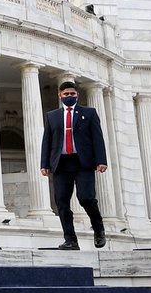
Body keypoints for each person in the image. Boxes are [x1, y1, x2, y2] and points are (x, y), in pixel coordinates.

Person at [41, 80, 109, 250]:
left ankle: (98, 228)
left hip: (82, 162)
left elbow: (97, 138)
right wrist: (44, 164)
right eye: (66, 94)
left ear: (77, 95)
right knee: (62, 203)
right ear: (60, 96)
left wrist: (101, 160)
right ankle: (70, 240)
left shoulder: (89, 113)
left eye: (72, 94)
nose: (69, 97)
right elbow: (47, 141)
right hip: (61, 163)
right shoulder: (52, 116)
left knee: (86, 198)